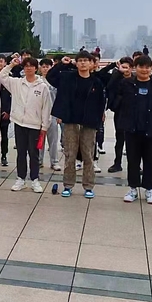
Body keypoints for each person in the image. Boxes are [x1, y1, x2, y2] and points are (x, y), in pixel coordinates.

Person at [47, 51, 106, 198]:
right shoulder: (68, 77)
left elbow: (101, 102)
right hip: (71, 121)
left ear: (92, 63)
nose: (83, 63)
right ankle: (68, 185)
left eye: (86, 60)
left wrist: (99, 119)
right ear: (76, 63)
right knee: (70, 154)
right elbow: (50, 77)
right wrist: (62, 64)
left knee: (88, 155)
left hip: (89, 123)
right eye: (80, 60)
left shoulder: (96, 82)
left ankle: (88, 186)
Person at [115, 55, 152, 205]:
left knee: (150, 162)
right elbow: (115, 99)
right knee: (133, 160)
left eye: (147, 67)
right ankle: (133, 189)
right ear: (135, 68)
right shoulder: (126, 84)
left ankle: (149, 189)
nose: (144, 70)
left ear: (151, 68)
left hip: (151, 130)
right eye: (141, 67)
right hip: (132, 129)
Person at [0, 57, 52, 193]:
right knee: (21, 153)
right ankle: (21, 179)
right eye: (26, 66)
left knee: (34, 153)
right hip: (19, 123)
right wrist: (11, 65)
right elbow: (1, 76)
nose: (28, 68)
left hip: (35, 125)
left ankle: (35, 180)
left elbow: (46, 108)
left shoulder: (42, 86)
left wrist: (45, 126)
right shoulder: (17, 83)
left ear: (36, 68)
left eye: (31, 66)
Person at [106, 57, 134, 173]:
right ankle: (117, 163)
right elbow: (109, 88)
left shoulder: (136, 79)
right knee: (119, 139)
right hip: (120, 113)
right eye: (123, 67)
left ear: (132, 68)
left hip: (134, 114)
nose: (125, 70)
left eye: (128, 67)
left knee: (133, 141)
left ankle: (135, 165)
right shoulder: (116, 78)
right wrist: (118, 73)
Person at [38, 59, 62, 171]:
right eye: (43, 66)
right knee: (40, 139)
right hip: (39, 115)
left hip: (52, 114)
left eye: (47, 66)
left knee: (53, 140)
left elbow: (59, 99)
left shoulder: (55, 81)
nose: (45, 69)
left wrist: (59, 115)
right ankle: (39, 160)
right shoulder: (37, 81)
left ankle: (54, 161)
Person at [0, 55, 12, 166]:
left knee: (4, 135)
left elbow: (12, 96)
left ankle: (4, 155)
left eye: (1, 61)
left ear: (5, 63)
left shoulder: (9, 77)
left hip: (4, 110)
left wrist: (8, 111)